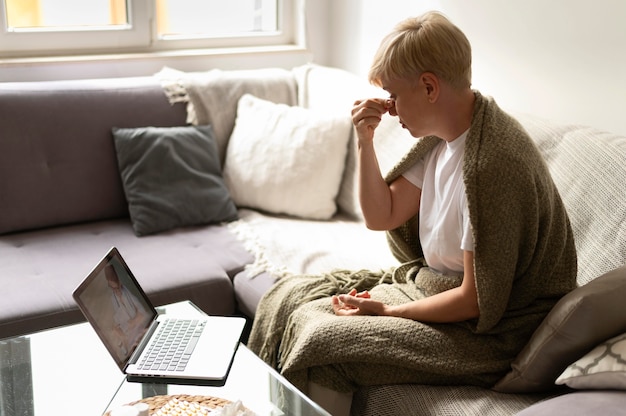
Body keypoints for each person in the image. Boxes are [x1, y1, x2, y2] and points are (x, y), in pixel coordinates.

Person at [248, 11, 577, 415]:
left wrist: (388, 312)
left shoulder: (490, 166)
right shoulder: (441, 140)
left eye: (393, 95)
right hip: (440, 291)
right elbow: (381, 215)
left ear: (428, 87)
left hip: (502, 332)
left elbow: (474, 301)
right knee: (288, 298)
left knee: (327, 344)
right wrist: (364, 140)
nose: (389, 108)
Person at [105, 264, 150, 357]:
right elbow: (119, 318)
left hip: (139, 330)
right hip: (130, 333)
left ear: (120, 282)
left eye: (117, 287)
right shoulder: (113, 298)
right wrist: (117, 328)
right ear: (109, 285)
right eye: (113, 288)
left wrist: (133, 322)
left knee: (130, 347)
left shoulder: (127, 291)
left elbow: (144, 314)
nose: (117, 291)